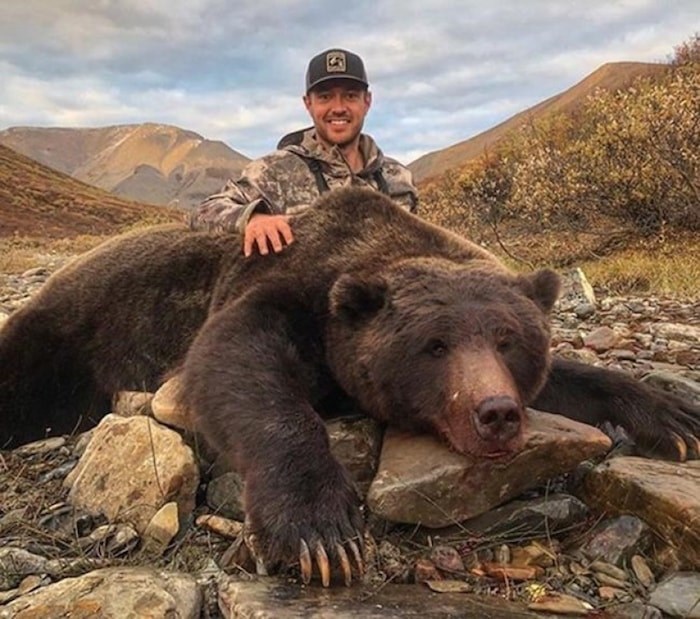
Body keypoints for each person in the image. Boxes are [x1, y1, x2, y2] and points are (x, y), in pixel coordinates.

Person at [188, 48, 418, 256]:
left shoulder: (397, 178)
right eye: (325, 97)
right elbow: (202, 212)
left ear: (367, 102)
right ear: (308, 103)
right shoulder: (274, 172)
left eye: (350, 95)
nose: (338, 108)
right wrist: (252, 219)